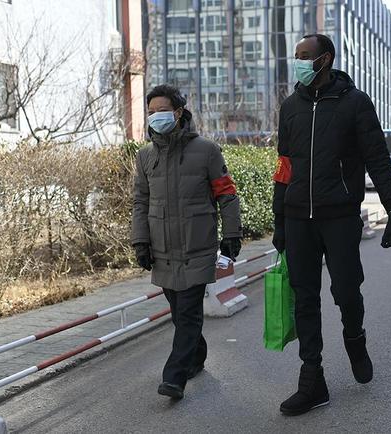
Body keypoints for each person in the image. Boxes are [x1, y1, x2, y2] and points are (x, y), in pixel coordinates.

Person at [272, 34, 391, 416]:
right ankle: (312, 378)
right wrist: (279, 218)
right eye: (295, 56)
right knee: (305, 296)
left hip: (340, 215)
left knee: (346, 290)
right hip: (299, 217)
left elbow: (377, 157)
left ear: (325, 59)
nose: (297, 61)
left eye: (304, 56)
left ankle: (354, 337)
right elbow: (284, 167)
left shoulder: (355, 103)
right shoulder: (291, 107)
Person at [132, 84, 242, 400]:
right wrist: (140, 241)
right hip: (162, 249)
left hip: (198, 247)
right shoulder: (145, 157)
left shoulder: (206, 151)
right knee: (181, 314)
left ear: (178, 112)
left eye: (162, 110)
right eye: (151, 112)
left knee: (190, 313)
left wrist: (232, 234)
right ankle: (196, 356)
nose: (156, 117)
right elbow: (140, 201)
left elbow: (226, 194)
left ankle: (174, 378)